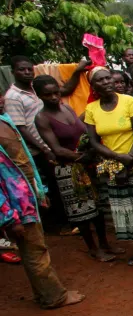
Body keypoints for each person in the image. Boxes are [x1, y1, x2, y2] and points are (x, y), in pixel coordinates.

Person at [0, 94, 85, 308]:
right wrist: (9, 217)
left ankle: (45, 293)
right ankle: (53, 296)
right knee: (35, 250)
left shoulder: (4, 121)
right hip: (15, 206)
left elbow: (24, 161)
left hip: (25, 198)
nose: (1, 99)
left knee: (35, 248)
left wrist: (38, 191)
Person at [33, 76, 117, 263]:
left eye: (56, 92)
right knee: (80, 211)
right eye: (48, 94)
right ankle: (93, 248)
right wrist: (81, 156)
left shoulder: (67, 108)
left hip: (87, 165)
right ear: (39, 96)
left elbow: (84, 131)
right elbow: (56, 149)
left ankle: (104, 243)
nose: (54, 97)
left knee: (97, 207)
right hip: (68, 169)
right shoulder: (41, 118)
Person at [84, 68, 133, 266]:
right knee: (126, 209)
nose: (107, 82)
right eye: (100, 80)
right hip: (112, 164)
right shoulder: (92, 109)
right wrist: (118, 158)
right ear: (93, 87)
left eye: (108, 77)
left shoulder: (129, 102)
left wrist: (127, 163)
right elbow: (94, 142)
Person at [4, 55, 70, 234]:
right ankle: (56, 225)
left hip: (50, 145)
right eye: (21, 69)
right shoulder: (13, 96)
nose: (26, 72)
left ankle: (65, 220)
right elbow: (20, 128)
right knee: (50, 187)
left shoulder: (36, 90)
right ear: (13, 72)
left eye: (29, 69)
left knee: (59, 183)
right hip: (38, 150)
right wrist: (43, 148)